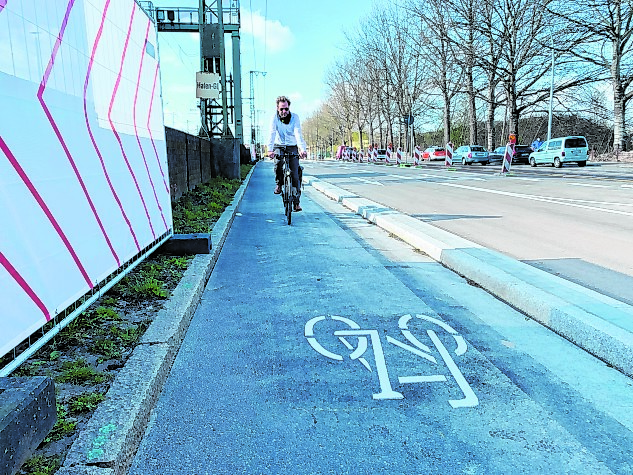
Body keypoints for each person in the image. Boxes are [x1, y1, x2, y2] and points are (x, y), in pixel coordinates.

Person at [267, 95, 307, 212]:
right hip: (279, 145)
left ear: (289, 108)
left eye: (286, 109)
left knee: (295, 173)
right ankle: (279, 184)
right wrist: (270, 150)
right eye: (281, 109)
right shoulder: (274, 118)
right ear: (277, 109)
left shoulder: (295, 117)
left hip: (292, 146)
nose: (284, 111)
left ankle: (296, 203)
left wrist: (302, 149)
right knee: (278, 163)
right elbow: (272, 133)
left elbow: (298, 133)